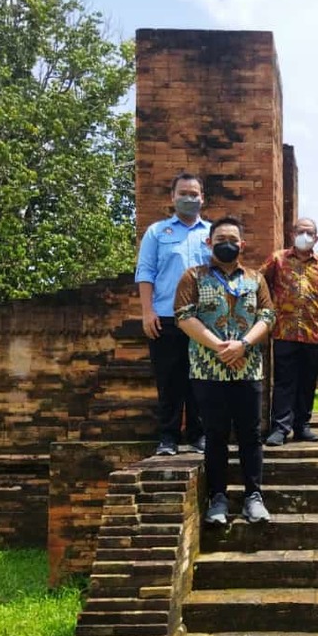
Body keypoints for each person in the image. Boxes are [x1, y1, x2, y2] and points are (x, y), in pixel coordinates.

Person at [174, 215, 276, 524]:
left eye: (232, 240)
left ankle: (253, 497)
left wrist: (243, 345)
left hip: (248, 369)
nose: (227, 245)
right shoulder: (194, 276)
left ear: (242, 244)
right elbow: (183, 316)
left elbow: (268, 316)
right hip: (208, 371)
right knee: (215, 435)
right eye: (220, 240)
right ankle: (217, 498)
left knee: (250, 434)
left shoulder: (255, 279)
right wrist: (220, 346)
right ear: (209, 243)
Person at [135, 172, 211, 456]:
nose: (189, 198)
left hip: (203, 319)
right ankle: (168, 438)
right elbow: (145, 272)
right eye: (183, 193)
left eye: (194, 194)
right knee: (169, 380)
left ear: (202, 198)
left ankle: (197, 435)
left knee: (199, 379)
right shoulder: (157, 232)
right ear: (173, 197)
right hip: (166, 316)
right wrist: (147, 311)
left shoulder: (211, 234)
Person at [260, 217, 318, 446]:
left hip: (313, 334)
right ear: (292, 233)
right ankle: (280, 428)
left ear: (316, 238)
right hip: (284, 332)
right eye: (301, 231)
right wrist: (264, 315)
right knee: (284, 381)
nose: (305, 235)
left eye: (310, 232)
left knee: (307, 382)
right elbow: (259, 284)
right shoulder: (277, 259)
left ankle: (302, 425)